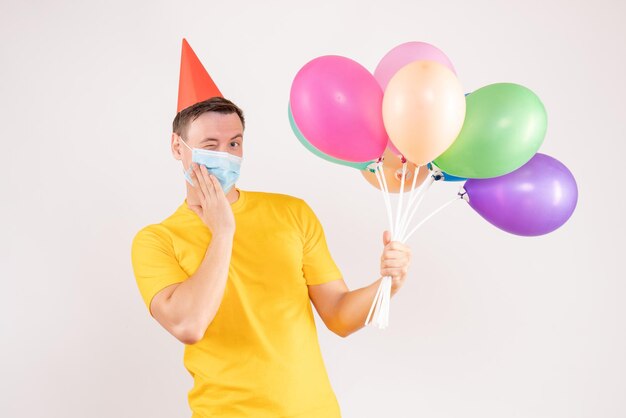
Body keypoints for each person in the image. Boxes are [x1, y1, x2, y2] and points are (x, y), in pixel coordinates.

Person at [130, 39, 412, 418]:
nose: (225, 156)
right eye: (210, 145)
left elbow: (340, 317)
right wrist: (223, 231)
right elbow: (189, 324)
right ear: (177, 148)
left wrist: (387, 285)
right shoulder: (156, 241)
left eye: (234, 143)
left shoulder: (292, 213)